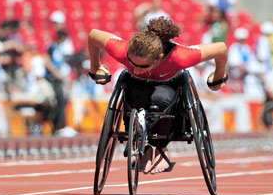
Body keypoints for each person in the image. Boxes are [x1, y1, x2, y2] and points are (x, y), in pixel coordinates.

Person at [87, 16, 228, 174]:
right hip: (136, 86)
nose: (137, 69)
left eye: (143, 66)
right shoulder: (121, 50)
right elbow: (93, 35)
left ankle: (162, 148)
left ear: (159, 58)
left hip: (168, 86)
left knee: (159, 98)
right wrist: (95, 66)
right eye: (132, 63)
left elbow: (221, 48)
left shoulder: (180, 56)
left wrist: (219, 75)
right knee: (132, 92)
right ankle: (143, 147)